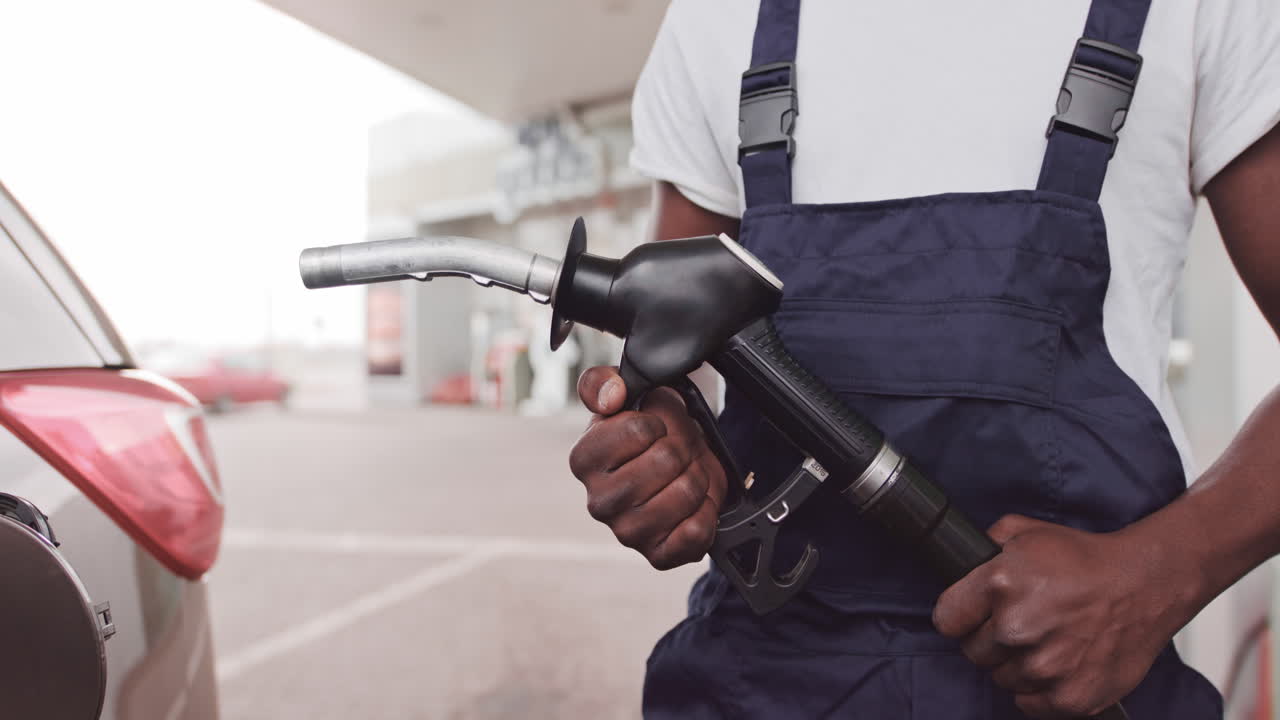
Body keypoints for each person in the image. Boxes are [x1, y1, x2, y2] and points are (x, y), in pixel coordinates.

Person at [567, 0, 1280, 717]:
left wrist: (1157, 577)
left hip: (1078, 688)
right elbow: (675, 355)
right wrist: (663, 455)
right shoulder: (720, 18)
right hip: (766, 682)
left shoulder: (1200, 11)